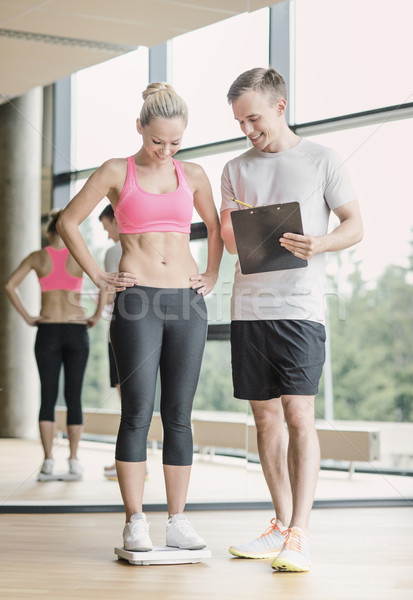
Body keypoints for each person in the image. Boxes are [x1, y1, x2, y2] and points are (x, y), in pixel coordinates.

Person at [57, 82, 223, 551]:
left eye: (175, 143)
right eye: (157, 141)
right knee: (136, 414)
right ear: (139, 128)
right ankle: (135, 521)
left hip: (187, 303)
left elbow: (214, 227)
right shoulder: (116, 170)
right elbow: (69, 221)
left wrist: (211, 272)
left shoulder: (192, 174)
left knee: (179, 415)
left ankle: (177, 519)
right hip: (137, 302)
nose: (165, 150)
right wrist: (97, 276)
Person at [220, 67, 363, 572]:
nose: (247, 130)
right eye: (239, 122)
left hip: (299, 309)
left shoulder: (321, 160)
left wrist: (317, 242)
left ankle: (300, 533)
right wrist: (244, 222)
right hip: (249, 307)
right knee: (264, 417)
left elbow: (355, 225)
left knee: (299, 414)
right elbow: (230, 238)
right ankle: (280, 524)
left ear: (280, 106)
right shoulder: (235, 168)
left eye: (253, 118)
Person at [5, 209, 103, 478]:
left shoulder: (37, 257)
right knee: (74, 397)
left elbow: (9, 286)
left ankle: (48, 460)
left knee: (47, 396)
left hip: (47, 330)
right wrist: (95, 315)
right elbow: (105, 283)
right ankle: (73, 460)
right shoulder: (78, 256)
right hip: (75, 331)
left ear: (48, 232)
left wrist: (28, 317)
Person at [98, 204, 122, 480]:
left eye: (107, 227)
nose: (107, 235)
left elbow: (107, 293)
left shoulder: (112, 253)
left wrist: (93, 315)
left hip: (118, 331)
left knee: (126, 403)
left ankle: (128, 462)